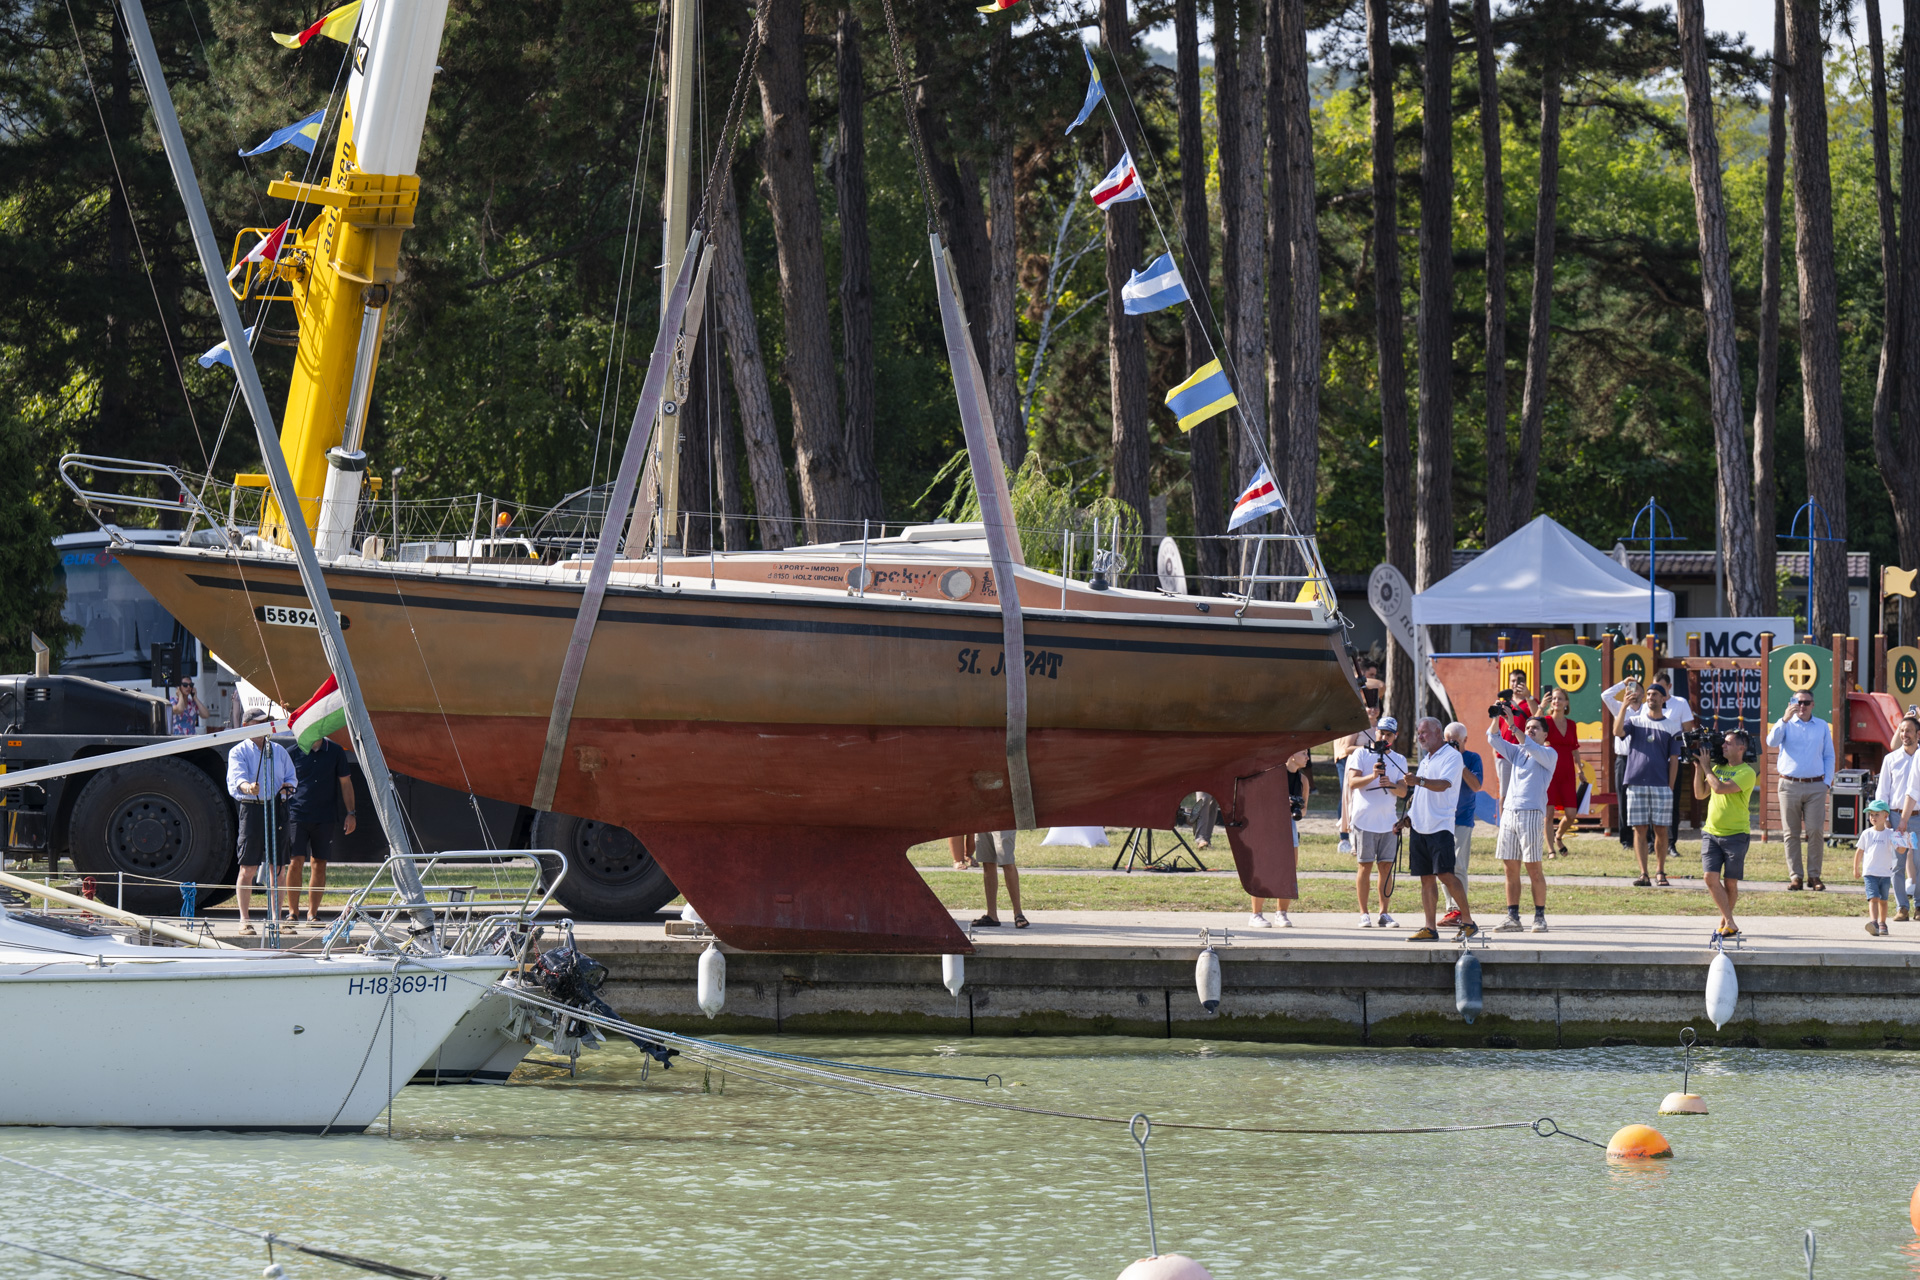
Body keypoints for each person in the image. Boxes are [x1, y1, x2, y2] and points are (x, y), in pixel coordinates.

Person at [1393, 718, 1477, 941]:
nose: (1420, 736)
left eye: (1424, 733)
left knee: (1446, 875)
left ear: (1438, 733)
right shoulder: (1426, 759)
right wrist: (1407, 820)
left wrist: (1418, 780)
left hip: (1440, 827)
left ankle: (1468, 921)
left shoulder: (1452, 756)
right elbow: (1420, 795)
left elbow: (1443, 785)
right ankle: (1430, 928)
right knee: (1426, 878)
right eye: (1418, 733)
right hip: (1419, 827)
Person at [225, 710, 295, 935]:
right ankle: (244, 920)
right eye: (259, 724)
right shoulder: (239, 751)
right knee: (248, 868)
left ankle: (276, 919)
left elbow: (291, 778)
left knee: (279, 869)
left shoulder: (278, 751)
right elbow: (237, 780)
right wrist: (248, 787)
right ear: (246, 726)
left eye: (266, 723)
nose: (265, 728)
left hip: (277, 809)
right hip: (252, 809)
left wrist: (287, 789)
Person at [1485, 715, 1555, 931]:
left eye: (1535, 728)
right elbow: (1492, 738)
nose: (1530, 730)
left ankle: (1539, 917)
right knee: (1510, 869)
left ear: (1545, 734)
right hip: (1509, 813)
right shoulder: (1516, 751)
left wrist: (1514, 727)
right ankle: (1512, 917)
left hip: (1532, 813)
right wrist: (1497, 717)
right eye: (1528, 727)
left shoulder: (1548, 753)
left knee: (1534, 868)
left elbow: (1529, 744)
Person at [281, 734, 357, 925]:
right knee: (295, 861)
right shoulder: (291, 753)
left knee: (319, 862)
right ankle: (292, 912)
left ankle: (312, 914)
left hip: (325, 816)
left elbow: (346, 783)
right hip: (297, 815)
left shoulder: (336, 751)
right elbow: (280, 785)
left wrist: (351, 813)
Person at [1614, 681, 1684, 887]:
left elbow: (1674, 760)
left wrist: (1670, 787)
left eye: (1655, 694)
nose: (1651, 697)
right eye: (1649, 694)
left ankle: (1660, 872)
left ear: (1664, 699)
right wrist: (1623, 707)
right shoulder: (1634, 721)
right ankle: (1643, 873)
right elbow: (1617, 733)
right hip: (1635, 783)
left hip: (1661, 785)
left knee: (1661, 829)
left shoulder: (1672, 726)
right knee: (1640, 829)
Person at [1767, 690, 1835, 890]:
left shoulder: (1822, 726)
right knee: (1791, 833)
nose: (1801, 706)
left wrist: (1827, 782)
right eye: (1797, 702)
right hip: (1789, 784)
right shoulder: (1785, 724)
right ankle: (1795, 876)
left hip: (1816, 785)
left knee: (1815, 831)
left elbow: (1829, 755)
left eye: (1806, 702)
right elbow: (1770, 742)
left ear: (1813, 704)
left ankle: (1814, 876)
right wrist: (1784, 719)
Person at [1693, 728, 1757, 940]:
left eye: (1728, 743)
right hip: (1711, 832)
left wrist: (1706, 767)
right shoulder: (1718, 767)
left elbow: (1719, 788)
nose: (1723, 746)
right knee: (1709, 878)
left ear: (1741, 748)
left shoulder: (1747, 772)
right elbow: (1700, 793)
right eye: (1724, 743)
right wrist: (1698, 768)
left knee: (1730, 882)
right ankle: (1729, 921)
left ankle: (1725, 922)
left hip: (1736, 835)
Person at [1347, 715, 1405, 927]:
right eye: (1381, 732)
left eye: (1389, 734)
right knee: (1364, 866)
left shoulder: (1399, 759)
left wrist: (1390, 783)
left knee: (1386, 867)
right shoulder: (1361, 754)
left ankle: (1384, 913)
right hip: (1364, 820)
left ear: (1395, 736)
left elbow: (1403, 791)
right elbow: (1352, 782)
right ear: (1375, 732)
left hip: (1388, 822)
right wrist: (1372, 776)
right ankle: (1364, 913)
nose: (1384, 736)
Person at [1250, 750, 1309, 928]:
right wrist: (1280, 803)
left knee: (1288, 870)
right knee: (1263, 870)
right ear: (1291, 756)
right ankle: (1255, 914)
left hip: (1289, 825)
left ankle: (1281, 913)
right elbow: (1259, 800)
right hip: (1268, 824)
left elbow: (1304, 810)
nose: (1307, 757)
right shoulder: (1273, 774)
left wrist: (1295, 809)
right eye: (1304, 753)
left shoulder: (1303, 780)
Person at [1874, 717, 1919, 919]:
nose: (1904, 735)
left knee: (1918, 862)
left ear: (1918, 735)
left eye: (1909, 731)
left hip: (1918, 817)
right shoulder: (1891, 759)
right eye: (1902, 731)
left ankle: (1919, 905)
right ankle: (1902, 907)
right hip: (1895, 816)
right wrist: (1886, 818)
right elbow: (1882, 792)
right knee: (1897, 863)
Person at [1441, 722, 1483, 926]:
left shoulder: (1473, 758)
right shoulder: (1440, 756)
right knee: (1442, 865)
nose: (1450, 745)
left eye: (1455, 742)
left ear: (1465, 740)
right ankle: (1451, 909)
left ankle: (1459, 910)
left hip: (1463, 819)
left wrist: (1460, 763)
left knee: (1458, 864)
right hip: (1441, 818)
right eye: (1447, 741)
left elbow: (1476, 786)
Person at [1332, 704, 1383, 857]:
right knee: (1347, 796)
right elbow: (1346, 749)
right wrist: (1369, 747)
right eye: (1369, 706)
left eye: (1376, 706)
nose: (1373, 710)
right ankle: (1344, 838)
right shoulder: (1357, 725)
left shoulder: (1381, 727)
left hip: (1370, 765)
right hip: (1349, 763)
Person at [1540, 689, 1581, 857]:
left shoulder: (1571, 724)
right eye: (1554, 698)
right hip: (1549, 772)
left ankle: (1558, 836)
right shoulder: (1546, 721)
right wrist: (1540, 708)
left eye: (1560, 698)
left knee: (1571, 814)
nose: (1556, 701)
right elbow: (1532, 725)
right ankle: (1550, 849)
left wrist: (1580, 770)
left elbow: (1575, 749)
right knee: (1548, 813)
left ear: (1566, 702)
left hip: (1567, 774)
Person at [1856, 800, 1899, 937]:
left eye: (1877, 814)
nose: (1873, 817)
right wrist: (1856, 868)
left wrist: (1904, 842)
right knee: (1873, 898)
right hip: (1870, 872)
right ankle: (1873, 922)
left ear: (1886, 815)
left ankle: (1882, 923)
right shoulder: (1866, 833)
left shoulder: (1890, 834)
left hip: (1885, 873)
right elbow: (1859, 851)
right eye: (1871, 814)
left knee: (1884, 900)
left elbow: (1901, 850)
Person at [1491, 669, 1535, 802]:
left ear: (1526, 682)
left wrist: (1529, 696)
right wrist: (1495, 753)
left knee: (1523, 792)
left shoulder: (1530, 701)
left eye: (1520, 680)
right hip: (1503, 754)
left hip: (1523, 753)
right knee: (1504, 794)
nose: (1516, 683)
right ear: (1509, 683)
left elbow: (1538, 715)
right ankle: (1503, 823)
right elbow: (1495, 729)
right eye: (1513, 680)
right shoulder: (1503, 704)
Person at [974, 831, 1026, 928]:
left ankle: (1018, 914)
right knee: (988, 862)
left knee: (1007, 861)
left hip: (1003, 821)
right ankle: (991, 915)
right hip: (982, 818)